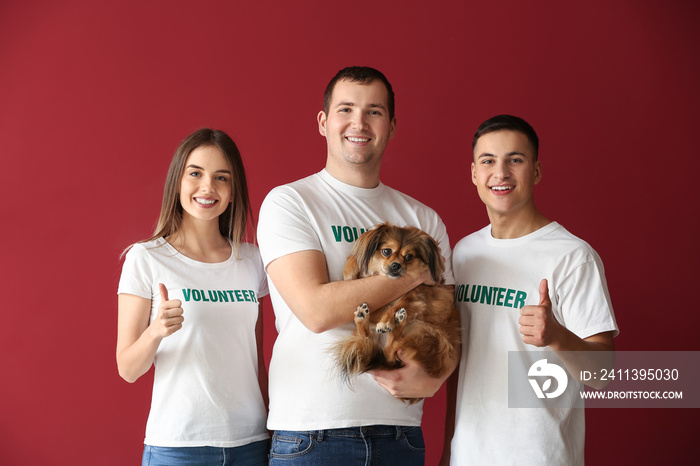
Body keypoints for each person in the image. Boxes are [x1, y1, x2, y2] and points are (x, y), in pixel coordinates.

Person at [257, 66, 459, 465]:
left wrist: (436, 375)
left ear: (392, 125)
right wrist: (414, 273)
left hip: (400, 433)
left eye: (374, 112)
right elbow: (317, 311)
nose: (359, 123)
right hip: (312, 434)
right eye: (346, 109)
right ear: (324, 122)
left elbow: (447, 321)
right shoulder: (290, 202)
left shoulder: (425, 219)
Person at [442, 115, 619, 465]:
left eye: (515, 160)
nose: (501, 173)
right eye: (488, 161)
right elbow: (459, 366)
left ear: (535, 172)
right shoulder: (463, 254)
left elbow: (603, 373)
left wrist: (556, 336)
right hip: (469, 456)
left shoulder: (572, 256)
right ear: (474, 173)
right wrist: (449, 450)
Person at [116, 128, 269, 466]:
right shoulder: (146, 257)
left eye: (221, 177)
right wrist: (156, 331)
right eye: (195, 174)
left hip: (252, 443)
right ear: (178, 182)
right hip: (179, 446)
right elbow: (127, 368)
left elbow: (256, 359)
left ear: (233, 191)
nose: (207, 187)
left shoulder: (252, 260)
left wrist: (272, 428)